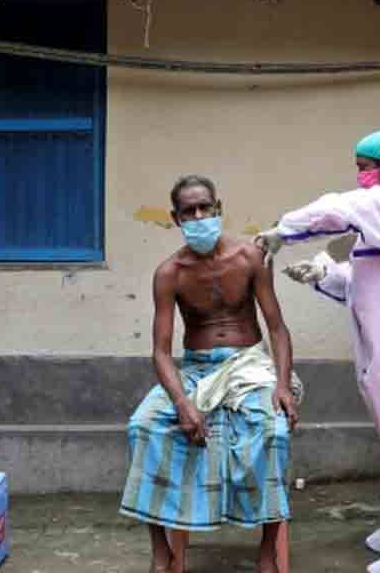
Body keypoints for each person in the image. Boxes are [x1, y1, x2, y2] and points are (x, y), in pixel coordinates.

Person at [255, 130, 380, 573]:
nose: (361, 174)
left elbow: (340, 208)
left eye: (366, 165)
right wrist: (322, 274)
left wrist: (283, 231)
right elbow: (371, 278)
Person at [119, 174, 299, 573]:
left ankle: (267, 549)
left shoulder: (250, 257)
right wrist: (182, 403)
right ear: (176, 217)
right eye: (189, 211)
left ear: (219, 208)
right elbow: (161, 352)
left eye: (206, 208)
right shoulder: (170, 273)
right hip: (197, 370)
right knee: (142, 427)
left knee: (272, 430)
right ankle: (161, 549)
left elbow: (277, 328)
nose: (199, 216)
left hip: (249, 364)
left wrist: (283, 384)